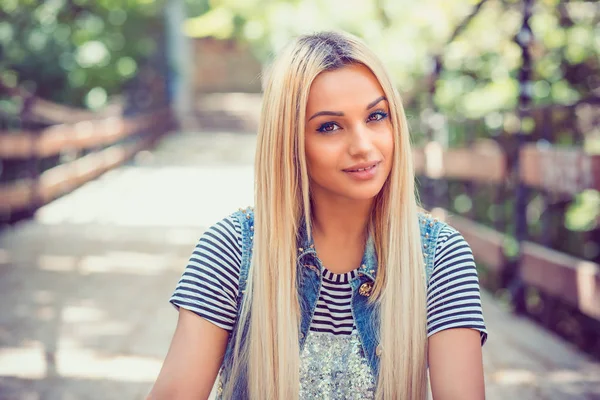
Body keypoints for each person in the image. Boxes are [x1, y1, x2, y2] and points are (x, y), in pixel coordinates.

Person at [148, 31, 488, 400]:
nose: (363, 146)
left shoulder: (440, 255)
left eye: (376, 116)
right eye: (329, 126)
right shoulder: (232, 249)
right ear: (290, 142)